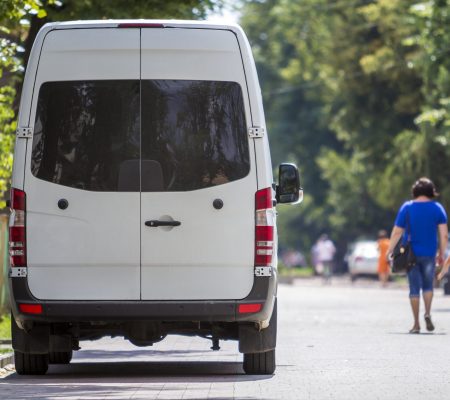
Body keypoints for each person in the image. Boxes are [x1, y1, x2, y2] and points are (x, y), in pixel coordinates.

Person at [387, 177, 448, 334]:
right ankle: (427, 313)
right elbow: (444, 235)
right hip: (429, 253)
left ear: (415, 191)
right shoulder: (437, 208)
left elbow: (397, 232)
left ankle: (416, 324)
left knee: (414, 288)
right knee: (428, 286)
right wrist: (442, 253)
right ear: (431, 191)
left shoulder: (407, 207)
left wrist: (389, 250)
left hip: (411, 255)